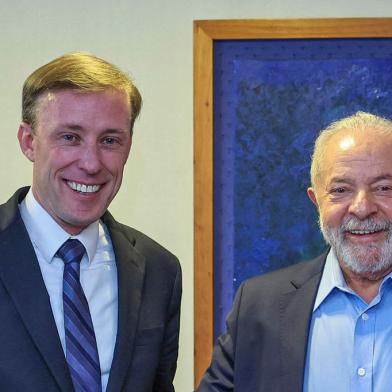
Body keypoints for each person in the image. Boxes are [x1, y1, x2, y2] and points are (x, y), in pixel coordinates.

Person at [0, 52, 181, 392]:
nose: (91, 163)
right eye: (70, 137)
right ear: (29, 142)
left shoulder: (160, 270)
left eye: (109, 141)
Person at [196, 111, 392, 391]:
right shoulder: (258, 307)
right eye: (340, 190)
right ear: (316, 201)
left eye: (383, 187)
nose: (362, 207)